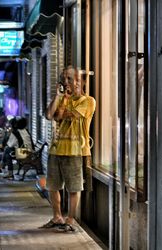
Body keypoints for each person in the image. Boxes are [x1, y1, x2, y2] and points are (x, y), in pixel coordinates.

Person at [41, 66, 96, 232]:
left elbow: (64, 116)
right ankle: (57, 216)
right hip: (55, 149)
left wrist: (64, 101)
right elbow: (49, 115)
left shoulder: (88, 101)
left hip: (75, 150)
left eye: (70, 79)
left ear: (79, 81)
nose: (66, 82)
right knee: (52, 186)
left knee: (73, 187)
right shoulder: (63, 98)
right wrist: (59, 96)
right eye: (63, 79)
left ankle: (71, 219)